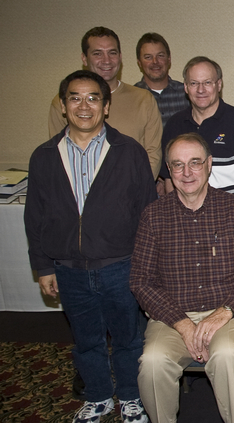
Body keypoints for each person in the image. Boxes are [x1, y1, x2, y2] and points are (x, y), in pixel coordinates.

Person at [26, 70, 155, 423]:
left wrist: (146, 267)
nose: (84, 106)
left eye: (93, 98)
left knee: (129, 339)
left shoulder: (129, 152)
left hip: (121, 266)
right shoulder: (44, 156)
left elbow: (147, 213)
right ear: (64, 106)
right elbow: (34, 217)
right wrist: (44, 266)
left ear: (106, 106)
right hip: (68, 270)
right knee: (86, 342)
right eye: (75, 98)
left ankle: (130, 396)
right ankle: (98, 397)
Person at [131, 133, 234, 423]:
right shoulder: (153, 216)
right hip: (173, 315)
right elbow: (141, 281)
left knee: (227, 355)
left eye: (195, 163)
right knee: (152, 363)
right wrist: (183, 324)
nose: (187, 173)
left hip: (230, 311)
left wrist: (224, 312)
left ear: (209, 164)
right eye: (177, 165)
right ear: (168, 168)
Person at [160, 56, 234, 229]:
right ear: (185, 87)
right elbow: (169, 180)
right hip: (188, 221)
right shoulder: (174, 126)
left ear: (219, 85)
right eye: (194, 83)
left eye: (207, 83)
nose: (201, 90)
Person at [48, 26, 162, 179]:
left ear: (120, 57)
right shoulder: (66, 101)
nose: (106, 60)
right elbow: (59, 156)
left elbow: (153, 155)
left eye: (112, 53)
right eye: (97, 54)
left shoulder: (143, 99)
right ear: (84, 58)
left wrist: (132, 192)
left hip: (132, 195)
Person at [133, 32, 190, 126]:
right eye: (148, 57)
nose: (155, 61)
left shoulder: (187, 93)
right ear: (139, 63)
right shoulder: (132, 97)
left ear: (169, 59)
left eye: (160, 56)